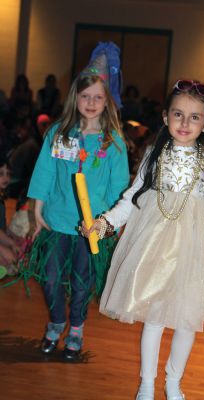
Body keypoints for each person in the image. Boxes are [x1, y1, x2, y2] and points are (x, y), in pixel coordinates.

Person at [81, 79, 204, 400]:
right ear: (165, 117)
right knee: (154, 318)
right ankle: (147, 385)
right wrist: (105, 223)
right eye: (178, 114)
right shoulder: (154, 153)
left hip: (194, 246)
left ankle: (173, 383)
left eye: (194, 117)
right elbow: (132, 197)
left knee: (186, 321)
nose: (185, 122)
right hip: (155, 243)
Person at [25, 43, 129, 361]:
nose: (91, 103)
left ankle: (76, 330)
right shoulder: (59, 132)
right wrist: (37, 207)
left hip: (92, 227)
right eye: (85, 96)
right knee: (52, 277)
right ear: (75, 97)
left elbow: (119, 187)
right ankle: (56, 322)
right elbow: (44, 170)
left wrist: (111, 223)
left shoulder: (113, 141)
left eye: (98, 97)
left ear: (107, 100)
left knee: (82, 282)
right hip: (57, 219)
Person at [0, 156, 22, 276]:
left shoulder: (1, 199)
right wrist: (7, 246)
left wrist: (12, 239)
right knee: (8, 259)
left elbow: (2, 228)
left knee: (18, 247)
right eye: (1, 174)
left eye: (8, 174)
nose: (6, 178)